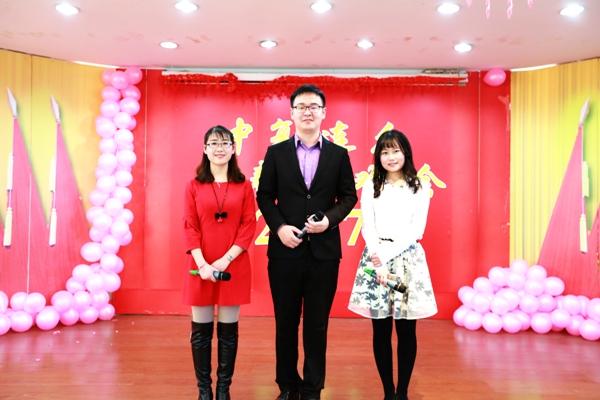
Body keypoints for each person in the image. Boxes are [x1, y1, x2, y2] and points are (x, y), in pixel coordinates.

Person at [256, 84, 358, 400]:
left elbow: (349, 197)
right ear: (292, 114)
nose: (307, 112)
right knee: (285, 324)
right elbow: (264, 196)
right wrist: (279, 228)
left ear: (324, 113)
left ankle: (313, 388)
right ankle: (288, 386)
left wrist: (329, 220)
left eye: (314, 106)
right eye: (301, 107)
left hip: (323, 254)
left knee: (317, 325)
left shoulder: (339, 155)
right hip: (284, 253)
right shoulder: (276, 153)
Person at [348, 129, 437, 400]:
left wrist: (384, 257)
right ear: (378, 156)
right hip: (377, 262)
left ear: (405, 153)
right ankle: (388, 392)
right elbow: (368, 227)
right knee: (381, 329)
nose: (391, 157)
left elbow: (416, 229)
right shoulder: (371, 185)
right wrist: (378, 263)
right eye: (385, 152)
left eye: (396, 151)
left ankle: (403, 392)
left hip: (407, 260)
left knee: (407, 329)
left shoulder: (419, 186)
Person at [182, 125, 257, 400]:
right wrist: (203, 265)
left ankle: (224, 391)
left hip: (232, 265)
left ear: (233, 148)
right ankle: (204, 391)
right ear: (205, 149)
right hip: (199, 267)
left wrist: (225, 260)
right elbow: (189, 226)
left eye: (225, 143)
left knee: (228, 333)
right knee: (200, 333)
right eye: (213, 143)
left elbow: (248, 225)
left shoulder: (244, 185)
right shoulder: (194, 186)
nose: (219, 148)